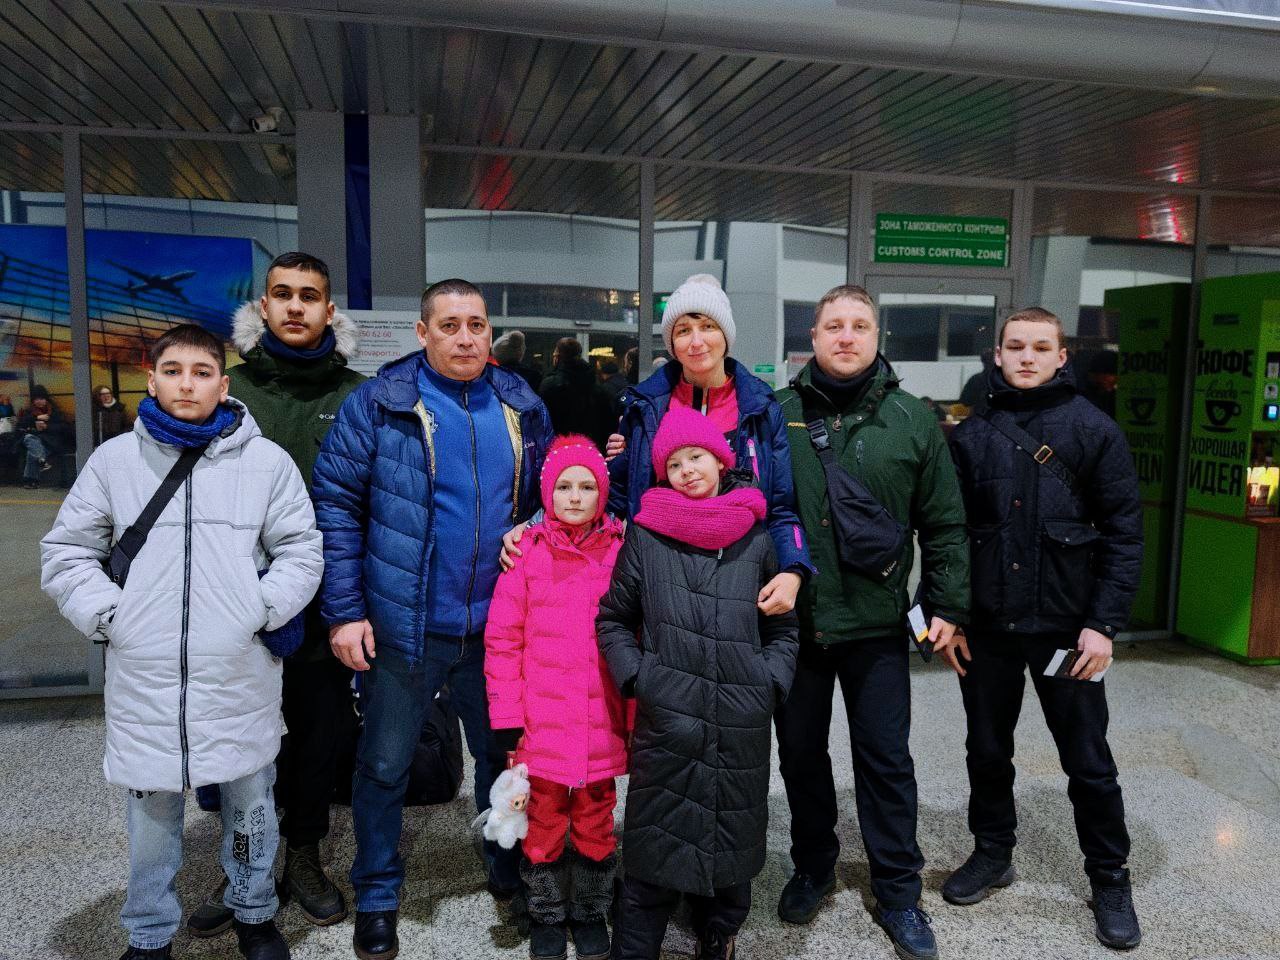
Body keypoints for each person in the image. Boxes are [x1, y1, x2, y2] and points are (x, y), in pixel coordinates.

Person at [39, 323, 323, 960]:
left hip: (238, 674)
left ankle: (254, 911)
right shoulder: (114, 463)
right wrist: (111, 617)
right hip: (146, 680)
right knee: (151, 819)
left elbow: (302, 550)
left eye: (201, 372)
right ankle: (149, 933)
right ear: (152, 379)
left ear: (223, 384)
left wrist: (260, 609)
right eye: (173, 371)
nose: (186, 384)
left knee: (250, 806)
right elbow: (66, 552)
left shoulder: (266, 464)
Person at [312, 278, 553, 960]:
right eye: (449, 325)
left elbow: (556, 492)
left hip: (499, 629)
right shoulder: (380, 403)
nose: (465, 337)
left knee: (503, 760)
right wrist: (345, 612)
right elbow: (335, 505)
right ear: (423, 333)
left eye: (476, 324)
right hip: (405, 628)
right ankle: (377, 893)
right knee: (385, 765)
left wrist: (535, 523)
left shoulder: (521, 404)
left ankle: (506, 863)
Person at [772, 284, 969, 960]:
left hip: (878, 624)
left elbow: (944, 523)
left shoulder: (912, 419)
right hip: (796, 626)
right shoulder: (778, 414)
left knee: (885, 761)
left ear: (876, 336)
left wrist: (946, 606)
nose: (846, 336)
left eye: (859, 325)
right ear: (813, 337)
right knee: (800, 756)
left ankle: (899, 891)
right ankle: (813, 865)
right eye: (834, 326)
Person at [944, 307, 1143, 950]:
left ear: (1062, 356)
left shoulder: (1095, 430)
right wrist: (947, 616)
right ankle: (992, 852)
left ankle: (1109, 878)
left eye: (1039, 347)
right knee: (986, 749)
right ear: (998, 355)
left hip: (1068, 631)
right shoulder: (972, 435)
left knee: (1088, 760)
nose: (1026, 357)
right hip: (989, 628)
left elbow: (1124, 534)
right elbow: (948, 535)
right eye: (1015, 346)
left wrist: (1104, 624)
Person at [180, 252, 362, 933]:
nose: (294, 306)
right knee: (240, 743)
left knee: (316, 740)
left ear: (328, 310)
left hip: (324, 607)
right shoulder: (232, 394)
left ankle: (304, 855)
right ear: (263, 306)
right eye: (282, 294)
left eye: (308, 296)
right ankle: (243, 863)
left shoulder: (357, 396)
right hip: (238, 607)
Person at [597, 406, 799, 960]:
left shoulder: (756, 537)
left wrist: (768, 683)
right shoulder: (647, 535)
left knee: (733, 830)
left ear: (721, 461)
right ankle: (635, 944)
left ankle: (720, 930)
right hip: (669, 714)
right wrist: (639, 677)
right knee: (654, 836)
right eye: (674, 463)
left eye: (697, 457)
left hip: (741, 714)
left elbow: (782, 627)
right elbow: (613, 618)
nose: (687, 470)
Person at [485, 435, 628, 960]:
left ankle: (589, 909)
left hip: (600, 717)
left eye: (587, 487)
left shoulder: (621, 550)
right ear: (548, 493)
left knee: (596, 816)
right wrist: (506, 718)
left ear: (602, 493)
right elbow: (503, 640)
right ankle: (545, 912)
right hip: (540, 721)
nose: (574, 497)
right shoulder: (525, 553)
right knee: (542, 817)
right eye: (564, 486)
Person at [601, 273, 813, 608]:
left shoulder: (760, 408)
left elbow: (781, 506)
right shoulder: (644, 407)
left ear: (726, 335)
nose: (696, 341)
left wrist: (793, 568)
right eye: (683, 330)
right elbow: (616, 497)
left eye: (708, 326)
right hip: (660, 590)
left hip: (739, 588)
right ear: (672, 343)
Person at [539, 337, 617, 451]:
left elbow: (542, 422)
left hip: (558, 449)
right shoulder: (596, 386)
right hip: (591, 448)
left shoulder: (550, 386)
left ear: (557, 357)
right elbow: (607, 423)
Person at [17, 388, 72, 488]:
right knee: (29, 437)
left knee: (32, 451)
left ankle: (31, 479)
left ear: (46, 399)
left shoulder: (54, 412)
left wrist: (47, 427)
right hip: (34, 440)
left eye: (42, 399)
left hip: (49, 442)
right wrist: (36, 419)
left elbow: (64, 427)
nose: (39, 401)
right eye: (36, 399)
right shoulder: (29, 412)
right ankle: (41, 461)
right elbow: (20, 425)